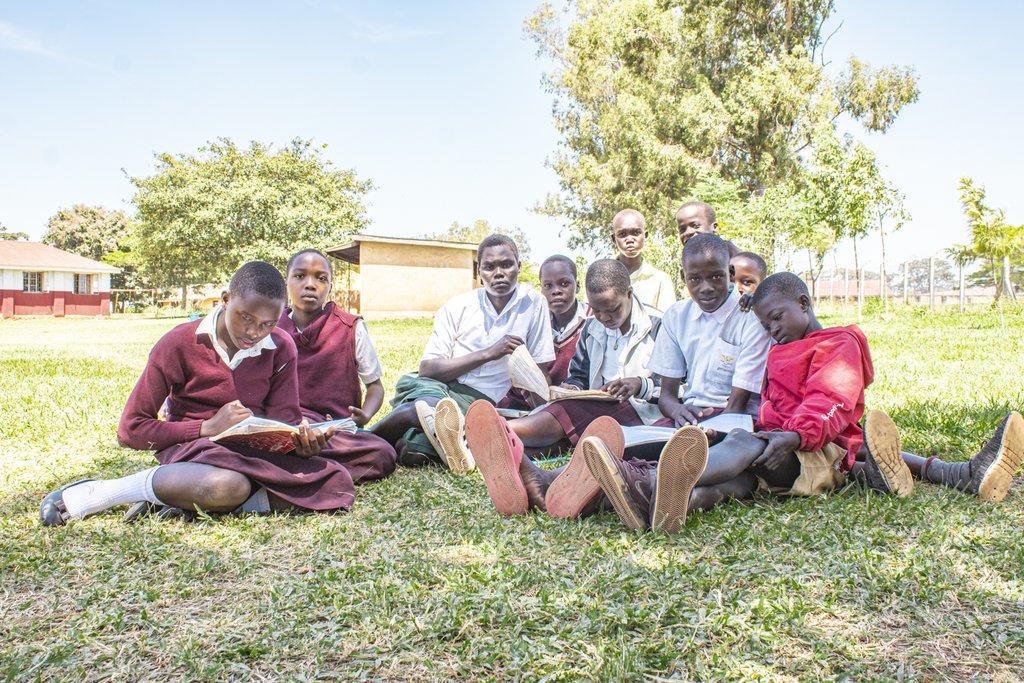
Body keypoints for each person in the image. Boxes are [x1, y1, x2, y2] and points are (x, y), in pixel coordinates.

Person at [580, 272, 1024, 533]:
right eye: (765, 324)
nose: (771, 330)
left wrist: (792, 436)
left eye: (777, 318)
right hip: (785, 452)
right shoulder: (782, 348)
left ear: (805, 303)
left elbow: (830, 401)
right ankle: (652, 504)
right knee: (736, 485)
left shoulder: (837, 343)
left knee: (742, 445)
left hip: (817, 451)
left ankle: (650, 483)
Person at [40, 261, 353, 526]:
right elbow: (131, 429)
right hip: (192, 448)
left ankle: (180, 497)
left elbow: (284, 422)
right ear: (226, 299)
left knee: (335, 481)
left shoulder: (280, 347)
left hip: (251, 454)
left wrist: (301, 446)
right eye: (246, 317)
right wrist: (206, 428)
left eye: (267, 324)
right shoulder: (178, 343)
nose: (253, 333)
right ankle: (105, 492)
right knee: (227, 485)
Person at [370, 234, 555, 474]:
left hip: (475, 399)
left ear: (519, 266)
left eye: (507, 264)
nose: (499, 273)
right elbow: (428, 369)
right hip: (433, 386)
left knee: (414, 451)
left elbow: (540, 369)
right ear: (479, 272)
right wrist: (489, 353)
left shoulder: (533, 304)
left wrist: (546, 412)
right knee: (426, 406)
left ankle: (411, 434)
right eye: (489, 267)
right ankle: (367, 436)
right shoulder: (458, 306)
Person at [277, 249, 397, 484]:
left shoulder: (350, 327)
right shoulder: (271, 328)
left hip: (333, 434)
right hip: (286, 428)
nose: (310, 285)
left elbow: (375, 387)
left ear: (330, 287)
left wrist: (365, 415)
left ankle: (288, 471)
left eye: (321, 278)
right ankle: (313, 470)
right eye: (299, 276)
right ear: (286, 283)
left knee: (382, 454)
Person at [650, 234, 771, 426]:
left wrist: (707, 430)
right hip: (692, 415)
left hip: (737, 419)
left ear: (730, 273)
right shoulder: (676, 316)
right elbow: (667, 397)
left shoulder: (752, 316)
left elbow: (737, 406)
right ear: (683, 277)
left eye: (715, 277)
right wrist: (677, 411)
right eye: (694, 279)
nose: (706, 287)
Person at [497, 254, 589, 411]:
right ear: (541, 290)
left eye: (564, 284)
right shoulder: (532, 321)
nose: (556, 291)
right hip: (528, 404)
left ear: (578, 286)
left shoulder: (594, 319)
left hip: (576, 405)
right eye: (548, 285)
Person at [612, 208, 677, 312]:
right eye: (622, 234)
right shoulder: (603, 278)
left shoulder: (660, 280)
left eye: (636, 233)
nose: (629, 240)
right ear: (614, 239)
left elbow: (668, 318)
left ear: (645, 235)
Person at [675, 201, 740, 257]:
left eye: (695, 226)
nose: (688, 232)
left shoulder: (731, 254)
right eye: (682, 229)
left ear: (714, 227)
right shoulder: (691, 259)